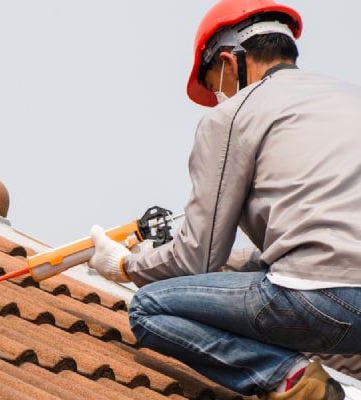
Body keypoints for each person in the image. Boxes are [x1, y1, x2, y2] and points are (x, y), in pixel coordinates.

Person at [87, 0, 361, 398]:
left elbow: (196, 258)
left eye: (216, 82)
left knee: (149, 307)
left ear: (231, 63)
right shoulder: (347, 98)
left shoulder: (234, 114)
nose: (219, 96)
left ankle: (294, 382)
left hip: (316, 299)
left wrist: (126, 264)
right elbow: (300, 248)